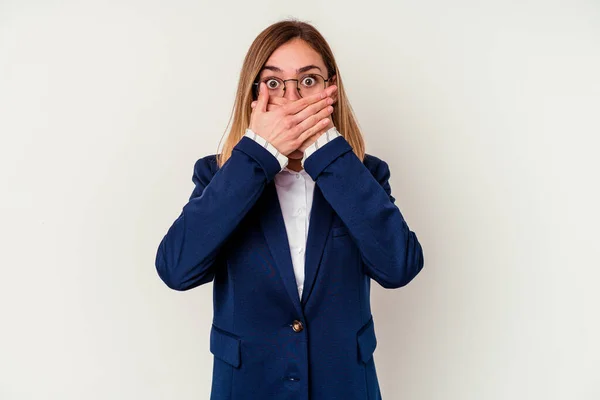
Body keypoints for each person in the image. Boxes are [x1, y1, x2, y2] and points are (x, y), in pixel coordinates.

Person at [155, 19, 424, 400]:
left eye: (309, 80)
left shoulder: (364, 174)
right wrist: (258, 154)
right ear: (253, 95)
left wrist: (329, 153)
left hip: (344, 387)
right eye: (274, 83)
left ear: (331, 90)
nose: (293, 99)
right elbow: (176, 269)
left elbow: (400, 267)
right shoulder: (218, 176)